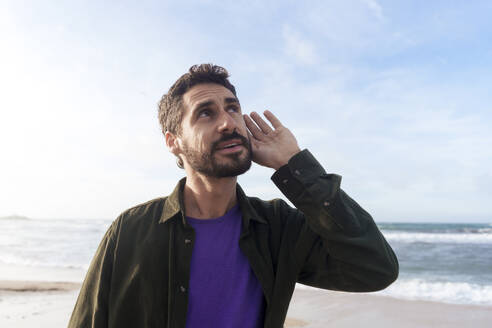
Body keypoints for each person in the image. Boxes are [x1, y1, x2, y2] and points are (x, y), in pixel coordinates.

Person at [68, 64, 398, 328]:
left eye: (233, 108)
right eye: (206, 113)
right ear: (174, 141)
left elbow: (374, 269)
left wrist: (295, 166)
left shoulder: (279, 228)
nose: (228, 123)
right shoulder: (131, 230)